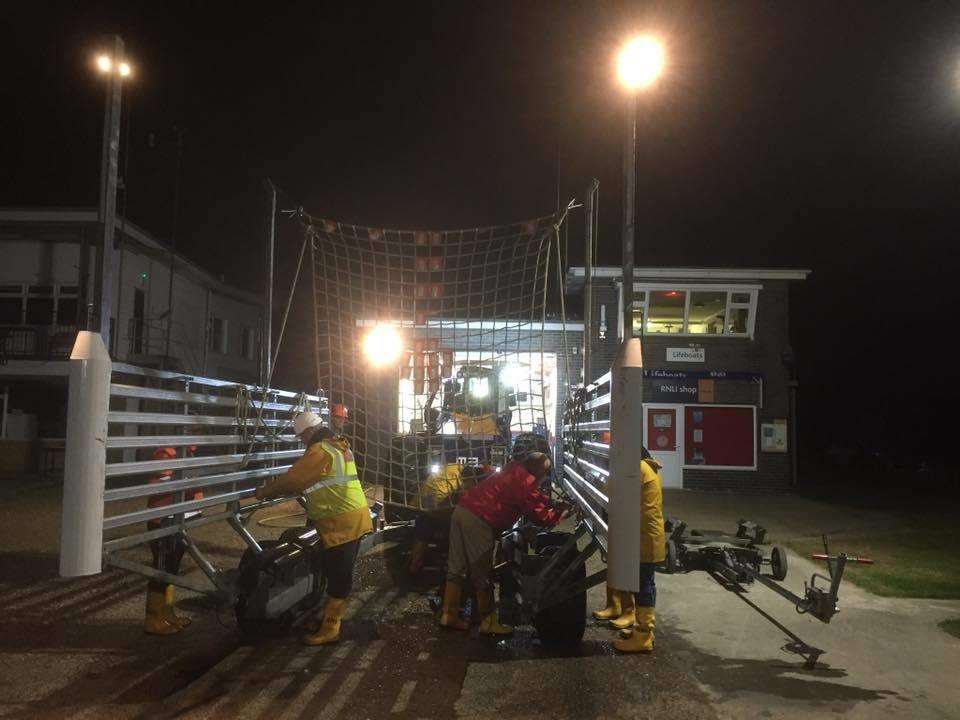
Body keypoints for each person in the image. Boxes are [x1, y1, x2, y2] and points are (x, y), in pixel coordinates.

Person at [255, 411, 372, 645]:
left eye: (301, 438)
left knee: (339, 577)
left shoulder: (320, 450)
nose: (301, 442)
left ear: (309, 432)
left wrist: (263, 492)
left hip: (341, 523)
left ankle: (331, 629)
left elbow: (294, 479)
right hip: (350, 518)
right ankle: (327, 618)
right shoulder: (337, 446)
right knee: (336, 572)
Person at [439, 452, 570, 635]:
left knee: (456, 568)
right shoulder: (526, 484)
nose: (544, 477)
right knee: (481, 572)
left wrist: (550, 501)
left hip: (462, 510)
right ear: (540, 471)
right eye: (545, 472)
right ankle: (488, 622)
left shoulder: (513, 467)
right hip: (480, 520)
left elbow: (532, 496)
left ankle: (448, 615)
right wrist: (562, 513)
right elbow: (541, 517)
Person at [144, 444, 203, 635]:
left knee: (172, 569)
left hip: (181, 518)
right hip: (164, 521)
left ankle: (167, 613)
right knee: (161, 569)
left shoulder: (187, 453)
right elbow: (160, 484)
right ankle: (152, 619)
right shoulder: (165, 453)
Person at [613, 446, 665, 653]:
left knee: (644, 584)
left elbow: (616, 490)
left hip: (644, 537)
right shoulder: (647, 467)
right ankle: (642, 631)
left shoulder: (640, 469)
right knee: (644, 582)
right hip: (645, 534)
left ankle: (643, 635)